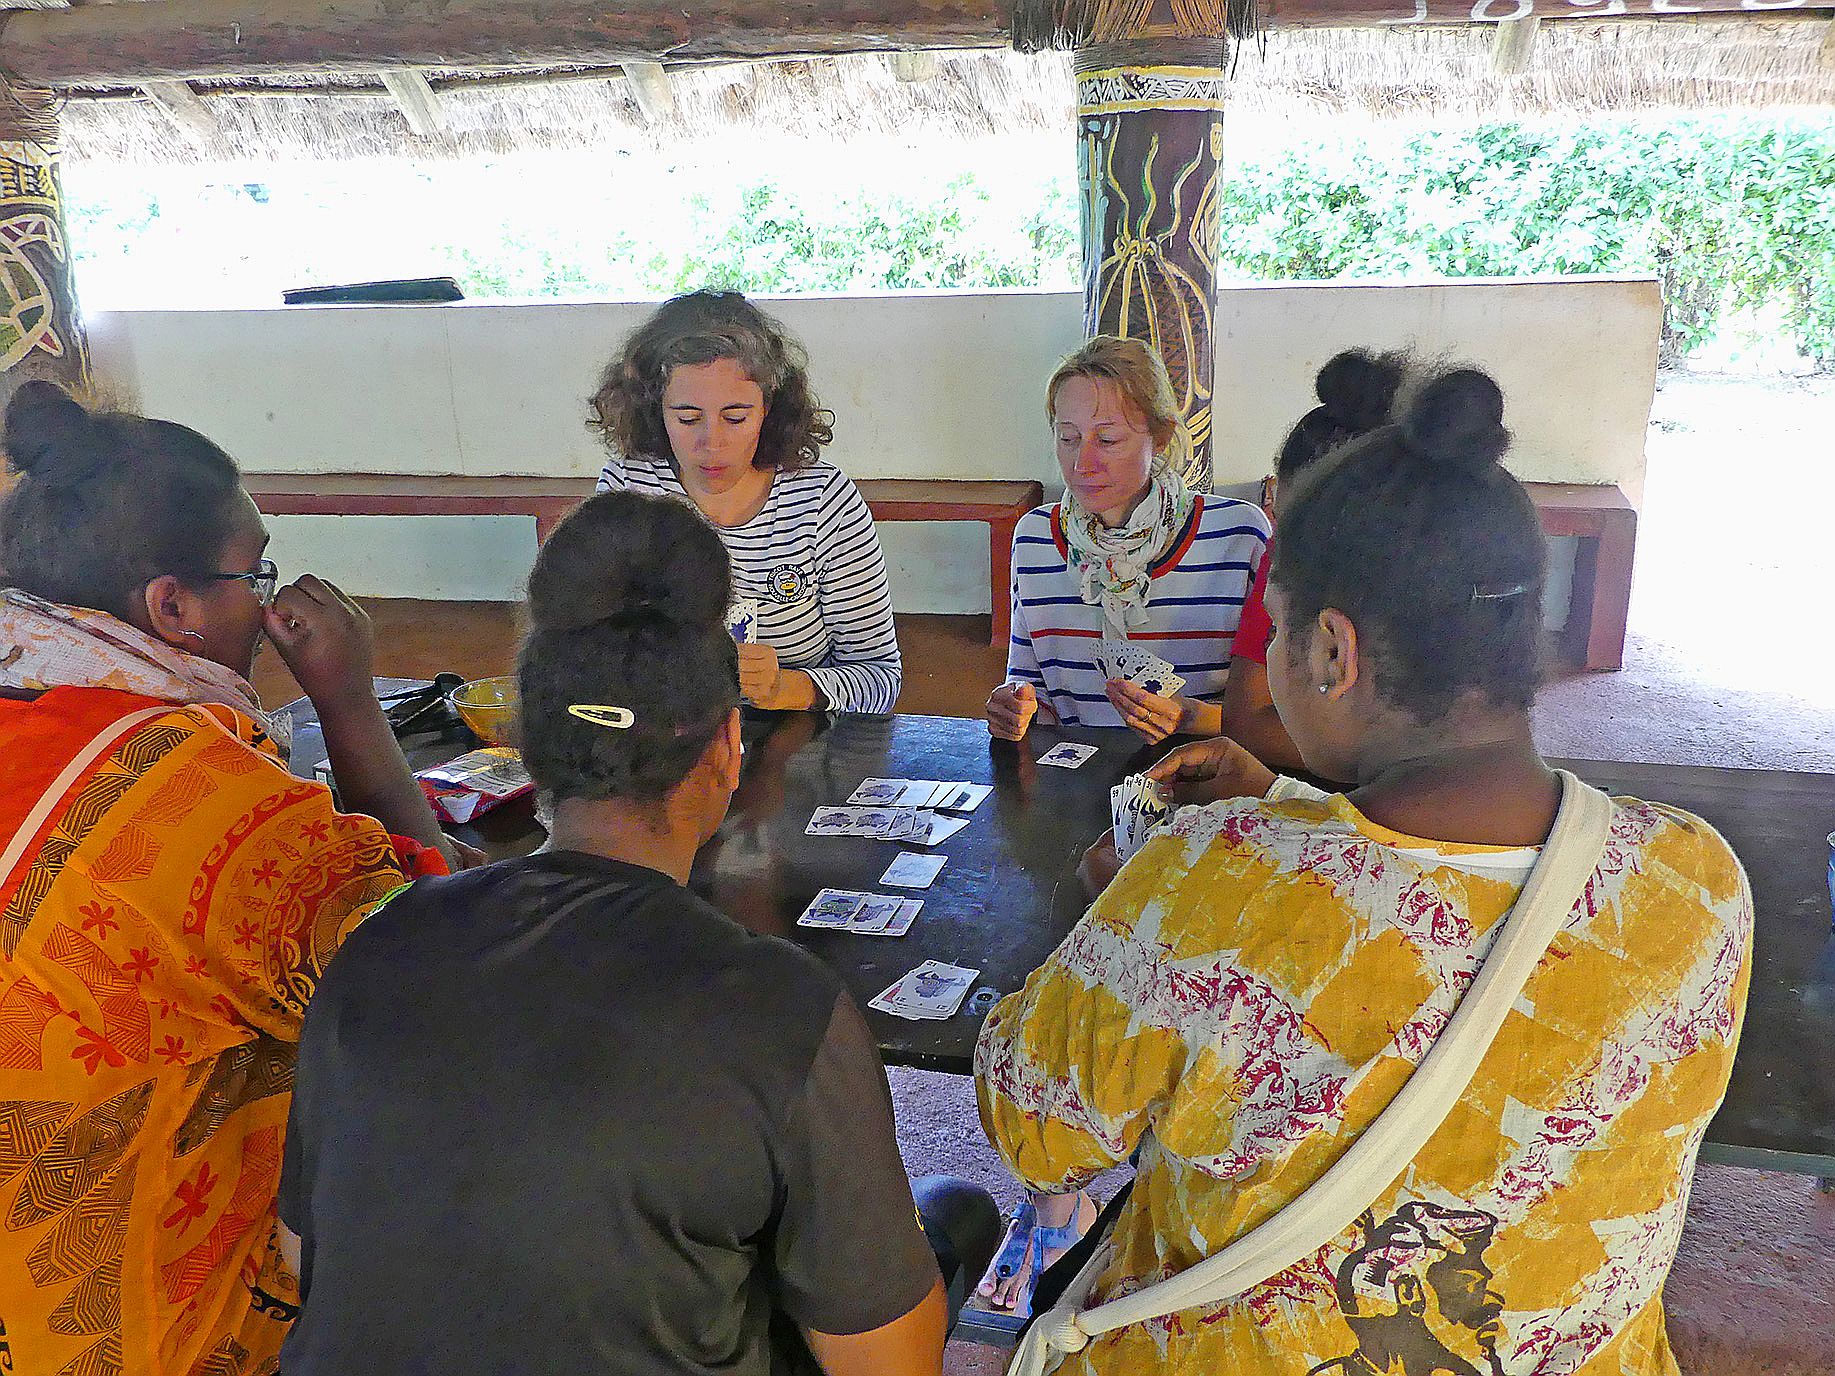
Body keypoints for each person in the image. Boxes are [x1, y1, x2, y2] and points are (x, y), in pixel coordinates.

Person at [975, 362, 1753, 1374]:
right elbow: (1440, 891)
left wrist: (1122, 918)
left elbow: (1035, 1134)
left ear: (1332, 653)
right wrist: (1285, 803)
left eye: (1277, 629)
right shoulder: (1693, 877)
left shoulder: (1200, 886)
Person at [276, 489, 997, 1376]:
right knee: (956, 1215)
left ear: (528, 748)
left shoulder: (378, 943)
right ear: (726, 748)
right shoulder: (778, 1010)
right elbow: (891, 1366)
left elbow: (303, 1256)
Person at [0, 382, 455, 1376]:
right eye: (255, 573)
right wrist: (349, 702)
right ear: (172, 606)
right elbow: (435, 959)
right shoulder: (197, 803)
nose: (268, 600)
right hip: (134, 1330)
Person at [592, 290, 902, 714]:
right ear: (654, 410)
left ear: (768, 410)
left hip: (795, 738)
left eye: (735, 417)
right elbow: (593, 648)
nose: (712, 443)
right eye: (687, 418)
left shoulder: (822, 502)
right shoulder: (629, 488)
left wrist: (784, 689)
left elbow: (881, 678)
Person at [986, 336, 1269, 746]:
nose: (1082, 463)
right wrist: (1015, 708)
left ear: (1161, 437)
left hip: (1202, 770)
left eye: (1107, 440)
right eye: (1068, 438)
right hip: (1078, 772)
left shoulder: (1239, 536)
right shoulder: (1035, 538)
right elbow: (1031, 688)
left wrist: (1192, 717)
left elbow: (1274, 716)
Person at [1217, 349, 1406, 771]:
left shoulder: (1441, 585)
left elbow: (1462, 747)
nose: (1288, 553)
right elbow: (1245, 720)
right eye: (1281, 522)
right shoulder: (1284, 560)